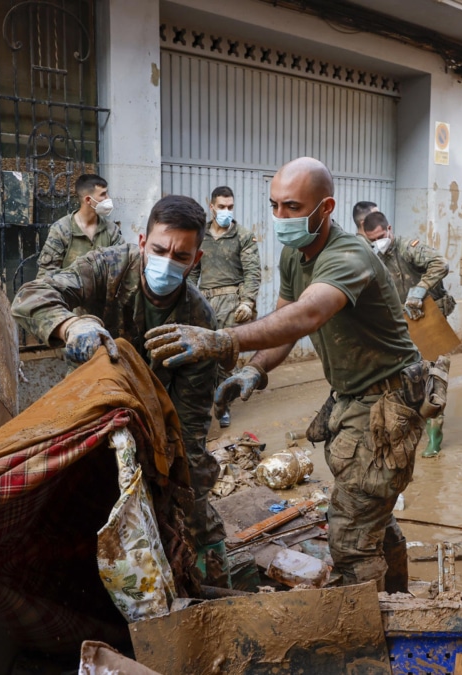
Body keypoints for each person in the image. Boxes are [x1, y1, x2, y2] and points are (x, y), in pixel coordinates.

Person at [144, 157, 433, 592]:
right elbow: (283, 320)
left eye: (293, 207)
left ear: (326, 207)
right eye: (275, 205)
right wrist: (256, 369)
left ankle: (370, 631)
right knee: (370, 505)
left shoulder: (347, 255)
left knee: (350, 538)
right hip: (353, 397)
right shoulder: (294, 255)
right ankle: (397, 596)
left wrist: (223, 341)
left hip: (385, 399)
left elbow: (308, 313)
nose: (280, 217)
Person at [10, 195, 227, 568]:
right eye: (159, 250)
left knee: (167, 504)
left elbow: (189, 430)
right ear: (142, 243)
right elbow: (30, 295)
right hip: (88, 403)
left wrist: (195, 519)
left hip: (153, 416)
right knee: (66, 500)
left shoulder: (199, 321)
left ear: (196, 260)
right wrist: (71, 324)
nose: (167, 263)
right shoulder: (108, 266)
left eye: (181, 257)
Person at [363, 211, 453, 457]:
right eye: (372, 239)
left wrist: (420, 289)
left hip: (430, 316)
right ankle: (407, 426)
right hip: (402, 321)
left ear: (389, 229)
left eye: (381, 236)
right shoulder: (372, 255)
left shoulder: (408, 248)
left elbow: (441, 264)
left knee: (435, 374)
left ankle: (435, 435)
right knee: (405, 376)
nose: (378, 242)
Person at [187, 186, 261, 428]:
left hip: (232, 303)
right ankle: (200, 404)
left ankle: (223, 405)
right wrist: (187, 299)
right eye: (221, 207)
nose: (226, 211)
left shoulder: (243, 235)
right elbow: (192, 272)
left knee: (225, 356)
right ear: (212, 207)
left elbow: (252, 272)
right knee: (201, 354)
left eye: (230, 207)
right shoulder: (200, 236)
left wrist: (248, 302)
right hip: (204, 302)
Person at [36, 174, 123, 277]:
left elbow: (122, 266)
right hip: (69, 291)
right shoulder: (62, 229)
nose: (108, 198)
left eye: (107, 193)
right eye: (103, 194)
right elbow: (46, 275)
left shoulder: (111, 230)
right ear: (88, 200)